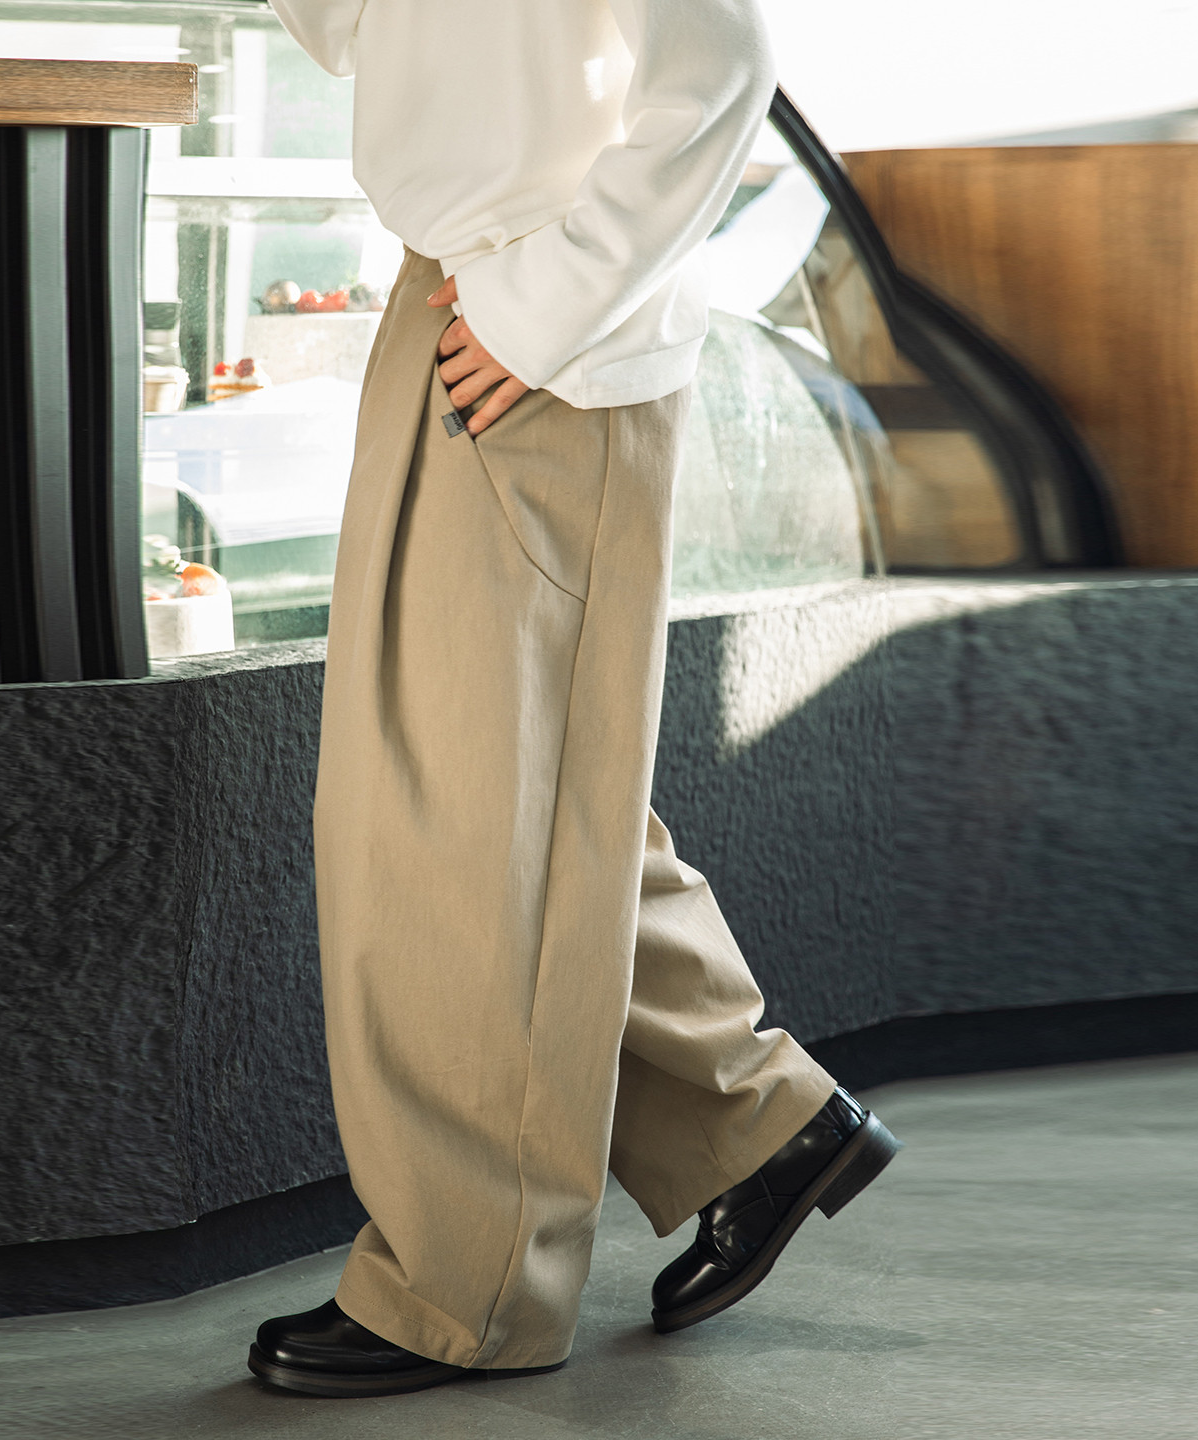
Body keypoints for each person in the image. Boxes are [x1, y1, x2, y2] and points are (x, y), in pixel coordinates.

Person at [247, 0, 900, 1399]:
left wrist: (537, 310)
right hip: (459, 299)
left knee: (471, 825)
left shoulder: (536, 312)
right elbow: (344, 30)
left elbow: (723, 64)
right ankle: (756, 1125)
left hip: (542, 338)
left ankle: (473, 1291)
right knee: (514, 793)